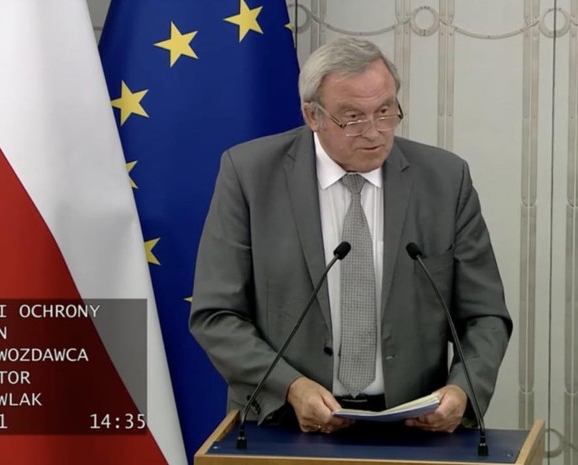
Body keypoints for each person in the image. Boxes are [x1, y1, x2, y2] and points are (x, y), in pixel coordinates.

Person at [190, 37, 512, 435]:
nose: (374, 132)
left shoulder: (445, 180)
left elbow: (485, 315)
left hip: (415, 425)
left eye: (385, 111)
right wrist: (291, 386)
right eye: (353, 118)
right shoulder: (249, 175)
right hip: (283, 422)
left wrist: (462, 390)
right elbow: (216, 314)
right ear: (312, 115)